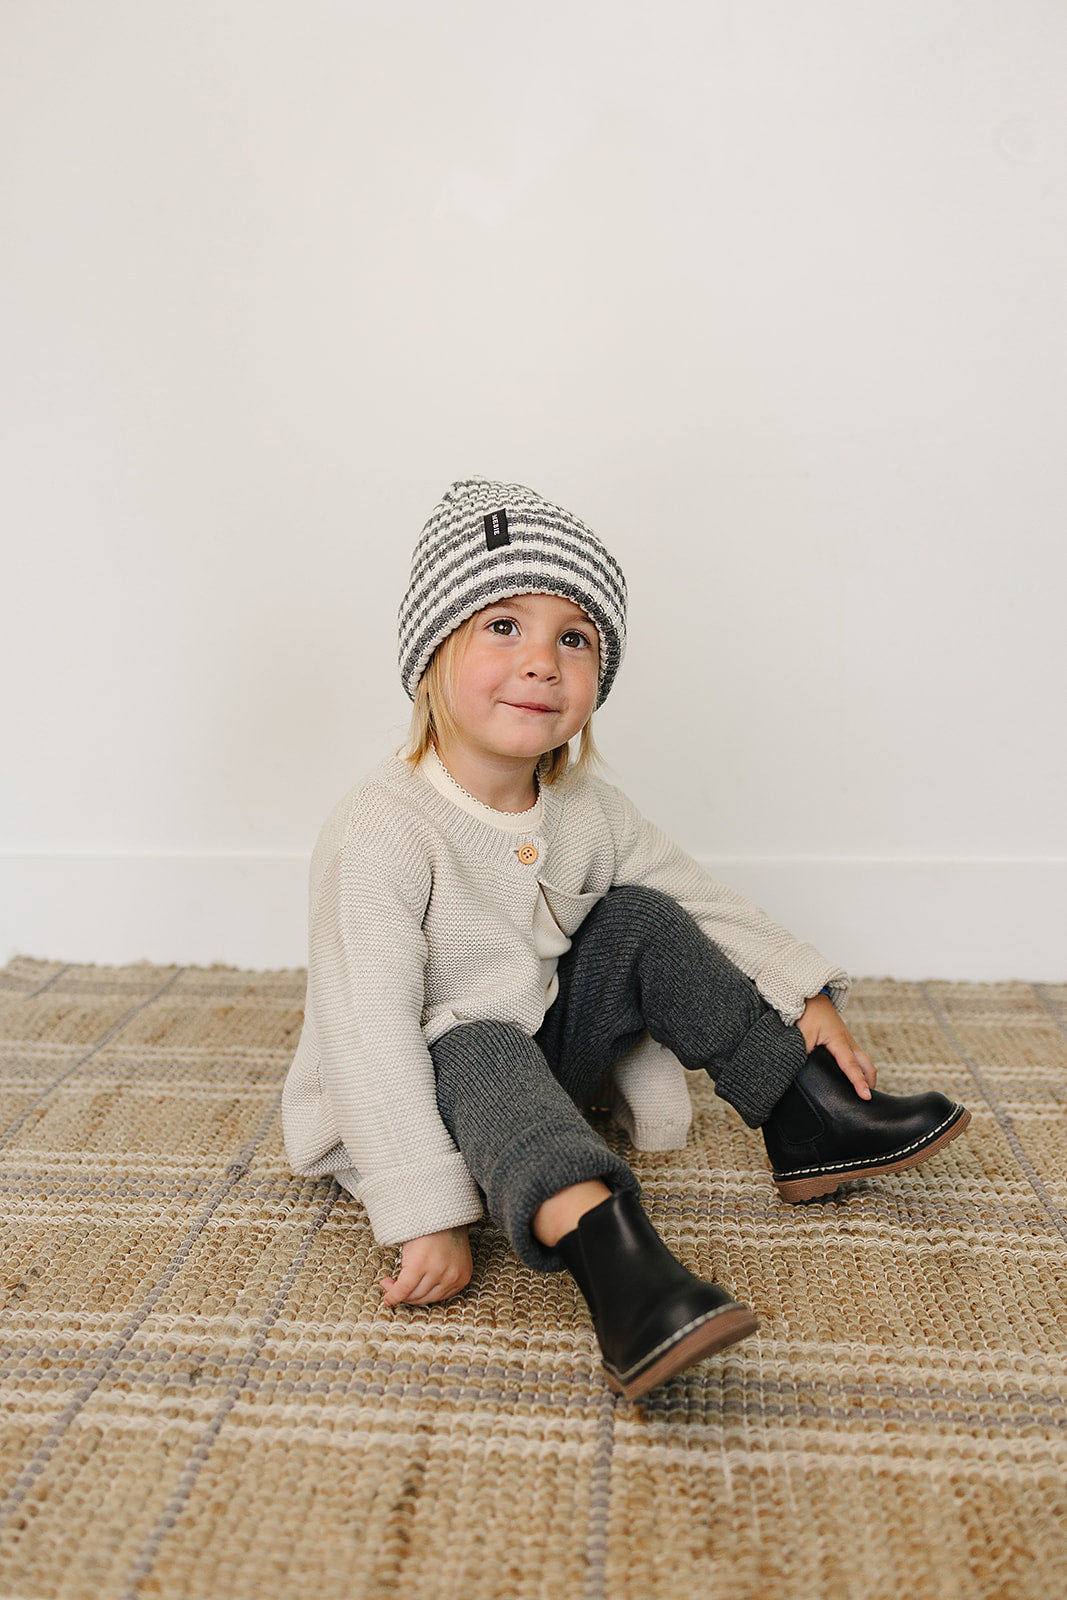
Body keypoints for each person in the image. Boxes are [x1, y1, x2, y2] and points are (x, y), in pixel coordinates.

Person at [281, 477, 970, 1402]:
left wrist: (804, 993)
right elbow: (368, 1038)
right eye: (501, 627)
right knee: (476, 1040)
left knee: (643, 915)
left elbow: (699, 898)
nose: (540, 661)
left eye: (573, 638)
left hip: (541, 1065)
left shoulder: (585, 811)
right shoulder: (380, 832)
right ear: (430, 652)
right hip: (417, 1100)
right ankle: (622, 1269)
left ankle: (806, 1118)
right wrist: (424, 1211)